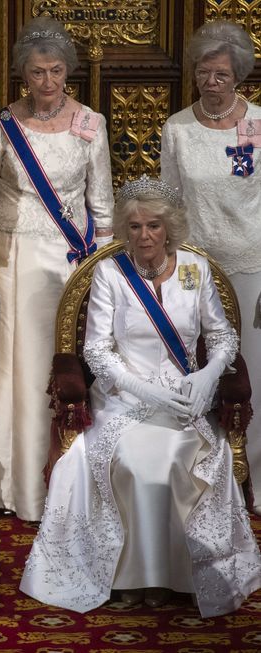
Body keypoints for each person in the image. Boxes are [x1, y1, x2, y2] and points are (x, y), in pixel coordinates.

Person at [20, 175, 261, 616]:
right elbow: (95, 350)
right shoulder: (110, 273)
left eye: (153, 226)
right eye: (134, 227)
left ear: (169, 228)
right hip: (124, 400)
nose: (144, 235)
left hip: (187, 399)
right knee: (134, 462)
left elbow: (222, 335)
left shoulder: (195, 269)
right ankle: (131, 576)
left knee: (175, 461)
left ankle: (174, 576)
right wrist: (143, 388)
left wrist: (208, 375)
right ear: (123, 230)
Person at [0, 15, 115, 521]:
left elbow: (103, 210)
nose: (48, 82)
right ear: (24, 73)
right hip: (7, 260)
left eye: (57, 71)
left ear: (69, 72)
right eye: (39, 72)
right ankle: (3, 484)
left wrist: (103, 280)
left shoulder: (91, 124)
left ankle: (65, 476)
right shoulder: (1, 127)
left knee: (58, 364)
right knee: (8, 368)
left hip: (68, 265)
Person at [160, 20, 261, 514]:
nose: (211, 81)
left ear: (238, 74)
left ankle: (255, 480)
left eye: (220, 73)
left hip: (250, 263)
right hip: (194, 269)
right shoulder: (177, 128)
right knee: (196, 368)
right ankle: (202, 479)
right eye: (204, 72)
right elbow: (169, 204)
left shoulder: (258, 126)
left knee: (251, 374)